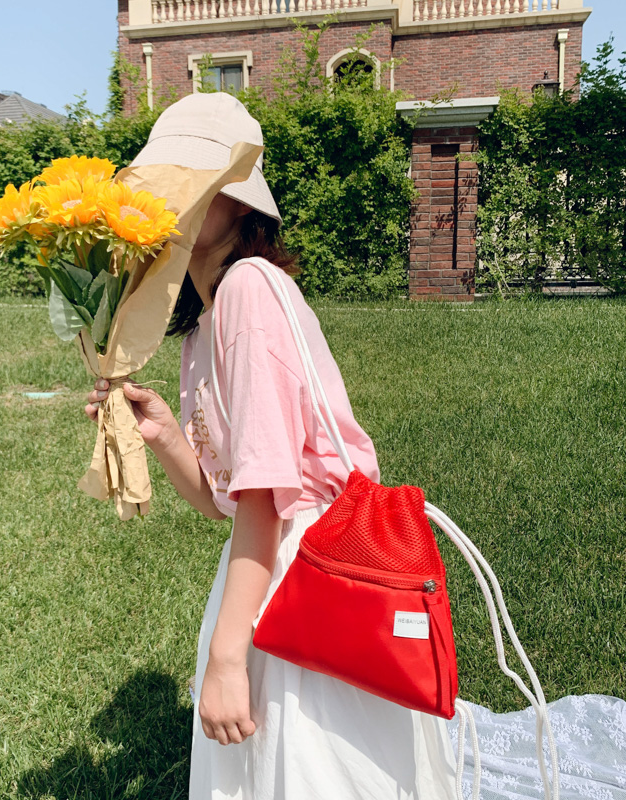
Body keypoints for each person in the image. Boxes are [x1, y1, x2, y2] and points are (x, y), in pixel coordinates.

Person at [85, 92, 456, 800]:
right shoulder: (205, 323)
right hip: (266, 560)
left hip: (303, 572)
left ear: (241, 201)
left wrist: (229, 654)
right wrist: (163, 431)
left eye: (199, 180)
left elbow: (267, 497)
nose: (178, 198)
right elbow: (225, 500)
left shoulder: (250, 291)